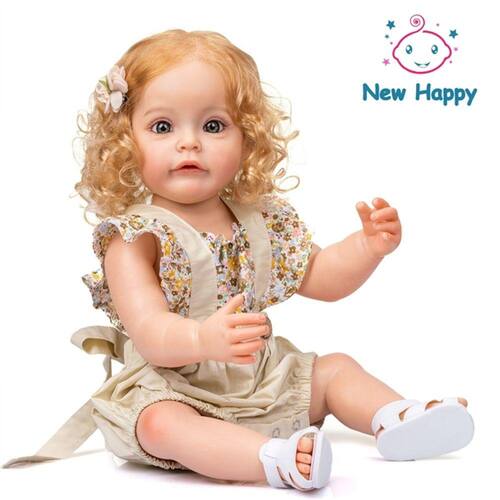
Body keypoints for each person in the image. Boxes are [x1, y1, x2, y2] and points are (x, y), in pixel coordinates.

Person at [1, 29, 474, 491]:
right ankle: (274, 460)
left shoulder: (259, 220)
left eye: (213, 126)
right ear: (126, 142)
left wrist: (367, 248)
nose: (189, 143)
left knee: (336, 369)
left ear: (247, 138)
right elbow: (151, 332)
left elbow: (321, 276)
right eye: (163, 127)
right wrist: (201, 339)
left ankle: (397, 417)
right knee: (162, 426)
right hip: (175, 386)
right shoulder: (134, 240)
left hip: (259, 376)